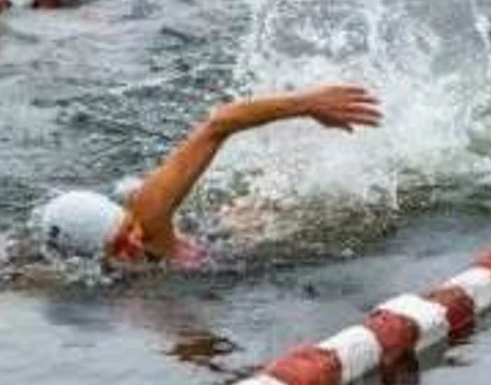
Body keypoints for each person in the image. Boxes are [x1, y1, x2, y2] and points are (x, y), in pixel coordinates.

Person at [35, 85, 382, 264]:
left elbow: (220, 123)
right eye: (118, 246)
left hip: (220, 239)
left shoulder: (149, 220)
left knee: (277, 204)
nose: (134, 243)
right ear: (94, 258)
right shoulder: (112, 279)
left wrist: (307, 104)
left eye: (127, 228)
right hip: (213, 249)